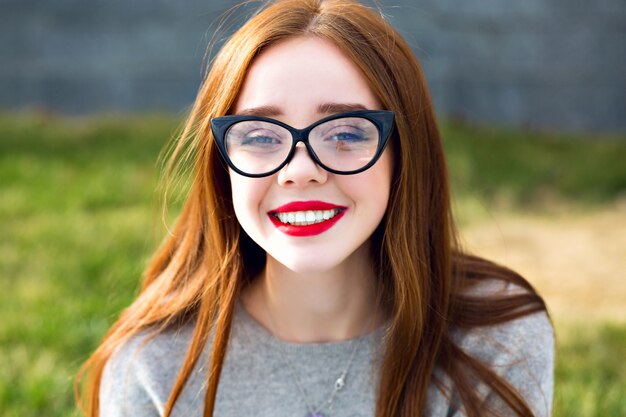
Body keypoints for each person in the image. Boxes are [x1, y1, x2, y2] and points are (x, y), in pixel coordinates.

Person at [76, 0, 554, 416]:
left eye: (346, 132)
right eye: (260, 136)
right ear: (222, 164)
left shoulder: (494, 340)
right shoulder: (154, 366)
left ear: (404, 154)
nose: (300, 171)